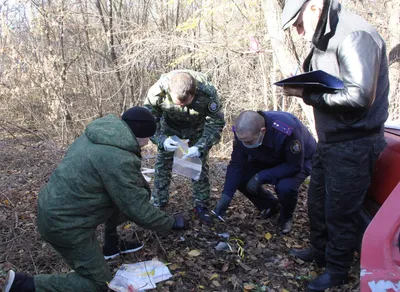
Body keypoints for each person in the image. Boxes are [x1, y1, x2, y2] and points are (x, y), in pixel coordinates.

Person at [3, 107, 188, 292]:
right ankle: (25, 285)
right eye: (148, 137)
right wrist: (171, 223)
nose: (148, 143)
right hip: (65, 226)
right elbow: (137, 208)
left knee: (119, 200)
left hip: (53, 206)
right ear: (139, 134)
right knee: (99, 283)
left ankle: (112, 245)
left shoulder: (99, 134)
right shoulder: (118, 159)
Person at [281, 0, 389, 290]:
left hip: (354, 143)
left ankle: (337, 270)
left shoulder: (355, 34)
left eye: (300, 24)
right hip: (330, 140)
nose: (299, 32)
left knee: (341, 211)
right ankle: (320, 252)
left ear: (315, 7)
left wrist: (311, 97)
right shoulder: (327, 35)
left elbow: (359, 96)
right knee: (317, 203)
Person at [212, 110, 316, 234]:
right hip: (266, 155)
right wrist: (226, 196)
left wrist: (261, 176)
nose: (245, 144)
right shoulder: (243, 133)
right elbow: (236, 165)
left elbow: (294, 166)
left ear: (262, 131)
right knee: (241, 177)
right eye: (242, 141)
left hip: (299, 160)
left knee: (285, 187)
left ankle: (286, 216)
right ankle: (270, 204)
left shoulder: (286, 130)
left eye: (249, 142)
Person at [144, 69, 225, 225]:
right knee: (163, 163)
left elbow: (216, 123)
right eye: (177, 102)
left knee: (198, 164)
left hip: (197, 128)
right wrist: (161, 140)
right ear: (169, 92)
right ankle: (158, 202)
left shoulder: (208, 93)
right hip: (169, 127)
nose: (181, 106)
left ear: (193, 95)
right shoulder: (157, 92)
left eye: (185, 102)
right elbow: (148, 121)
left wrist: (201, 146)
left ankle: (201, 204)